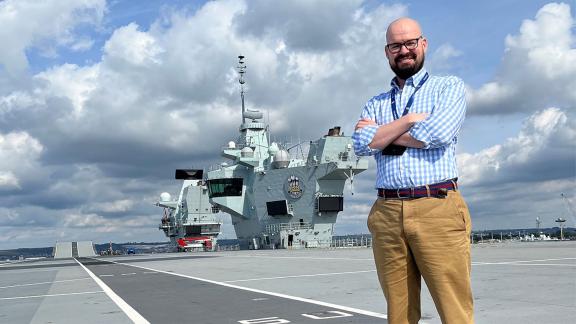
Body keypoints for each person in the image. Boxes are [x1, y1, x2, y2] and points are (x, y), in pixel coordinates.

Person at [352, 17, 473, 324]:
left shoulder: (449, 87)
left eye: (409, 43)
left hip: (437, 206)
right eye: (395, 45)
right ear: (386, 51)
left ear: (423, 44)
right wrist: (407, 122)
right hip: (387, 212)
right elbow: (361, 144)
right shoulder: (375, 102)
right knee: (399, 313)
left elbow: (439, 133)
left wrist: (384, 134)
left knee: (454, 309)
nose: (403, 51)